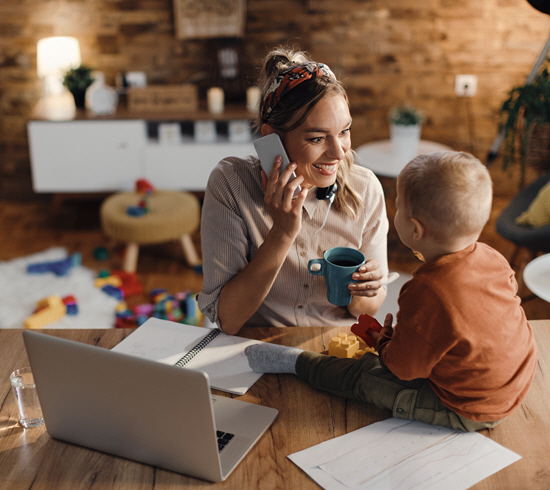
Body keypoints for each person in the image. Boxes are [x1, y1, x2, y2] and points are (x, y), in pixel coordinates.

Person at [245, 151, 538, 432]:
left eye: (398, 204)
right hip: (518, 381)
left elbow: (403, 369)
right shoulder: (492, 257)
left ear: (415, 229)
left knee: (366, 377)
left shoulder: (425, 290)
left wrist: (384, 342)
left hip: (469, 409)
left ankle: (298, 363)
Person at [198, 47, 389, 334]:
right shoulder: (231, 184)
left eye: (344, 132)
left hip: (335, 348)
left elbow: (365, 310)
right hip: (257, 346)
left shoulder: (366, 189)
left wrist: (366, 291)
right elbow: (228, 318)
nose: (338, 152)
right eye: (317, 138)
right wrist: (283, 233)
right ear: (272, 138)